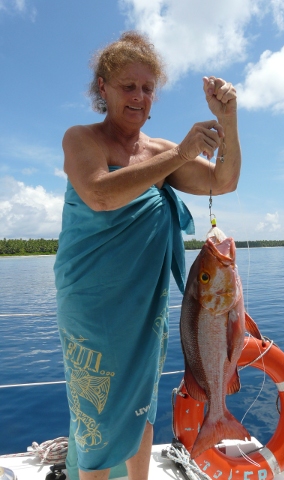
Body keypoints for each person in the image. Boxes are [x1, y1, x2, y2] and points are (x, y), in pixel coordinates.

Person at [54, 31, 241, 480]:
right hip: (92, 305)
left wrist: (228, 121)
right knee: (96, 413)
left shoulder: (157, 152)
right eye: (127, 86)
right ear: (103, 88)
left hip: (147, 303)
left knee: (142, 401)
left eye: (148, 87)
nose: (139, 97)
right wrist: (180, 152)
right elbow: (99, 194)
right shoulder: (82, 140)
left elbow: (224, 180)